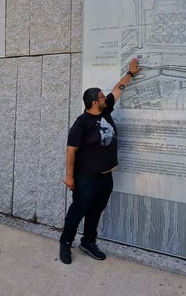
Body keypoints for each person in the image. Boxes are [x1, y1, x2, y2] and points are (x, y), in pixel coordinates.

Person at [59, 58, 141, 264]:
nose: (106, 98)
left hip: (106, 177)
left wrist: (130, 73)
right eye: (102, 97)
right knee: (78, 210)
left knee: (96, 211)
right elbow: (71, 151)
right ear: (94, 102)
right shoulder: (81, 124)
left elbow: (117, 90)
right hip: (86, 178)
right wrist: (69, 177)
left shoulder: (105, 110)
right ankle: (65, 242)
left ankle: (88, 242)